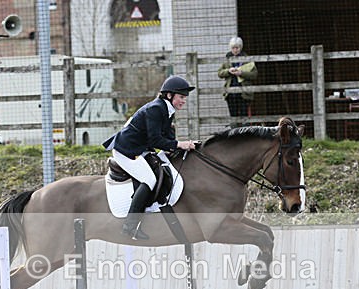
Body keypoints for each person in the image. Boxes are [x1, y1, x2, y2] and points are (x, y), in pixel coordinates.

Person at [103, 75, 197, 240]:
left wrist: (185, 146)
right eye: (181, 97)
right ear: (169, 95)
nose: (184, 101)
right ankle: (130, 227)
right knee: (149, 180)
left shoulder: (167, 110)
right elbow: (156, 140)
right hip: (126, 150)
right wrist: (179, 144)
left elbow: (167, 138)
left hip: (139, 148)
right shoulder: (156, 109)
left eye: (185, 98)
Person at [217, 37, 258, 124]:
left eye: (237, 48)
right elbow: (220, 73)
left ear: (241, 47)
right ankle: (234, 135)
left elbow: (254, 74)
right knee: (233, 116)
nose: (235, 50)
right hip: (230, 92)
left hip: (243, 92)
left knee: (244, 116)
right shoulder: (226, 59)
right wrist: (228, 71)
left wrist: (241, 73)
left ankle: (245, 135)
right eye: (233, 48)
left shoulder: (247, 59)